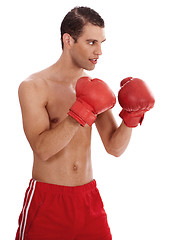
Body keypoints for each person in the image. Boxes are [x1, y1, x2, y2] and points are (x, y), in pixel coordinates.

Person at [16, 6, 154, 240]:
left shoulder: (93, 86)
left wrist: (131, 117)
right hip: (48, 202)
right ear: (68, 40)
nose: (99, 51)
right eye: (91, 42)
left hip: (88, 200)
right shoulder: (34, 86)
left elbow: (114, 147)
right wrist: (81, 111)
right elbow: (43, 149)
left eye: (102, 43)